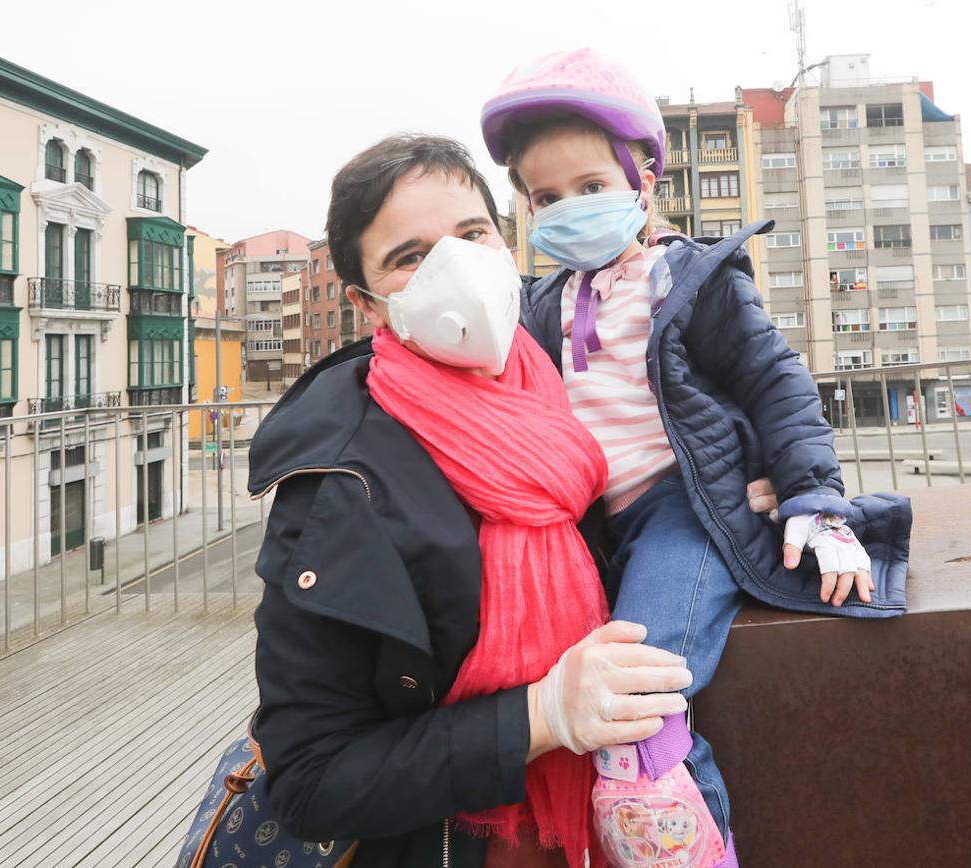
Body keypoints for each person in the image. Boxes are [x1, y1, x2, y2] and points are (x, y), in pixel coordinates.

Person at [481, 49, 911, 867]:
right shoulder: (542, 304)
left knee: (642, 695)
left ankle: (690, 839)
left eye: (591, 187)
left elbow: (773, 380)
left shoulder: (686, 277)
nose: (568, 209)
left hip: (680, 510)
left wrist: (814, 498)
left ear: (643, 182)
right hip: (591, 531)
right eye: (546, 198)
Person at [249, 134, 708, 868]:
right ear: (367, 302)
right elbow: (311, 779)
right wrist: (542, 714)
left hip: (609, 824)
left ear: (505, 242)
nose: (455, 269)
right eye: (410, 257)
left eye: (473, 235)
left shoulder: (566, 384)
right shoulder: (338, 486)